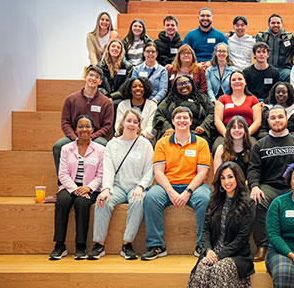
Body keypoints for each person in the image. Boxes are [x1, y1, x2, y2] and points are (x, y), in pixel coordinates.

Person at [175, 162, 255, 288]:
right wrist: (208, 250)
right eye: (223, 178)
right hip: (212, 252)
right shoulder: (213, 200)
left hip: (236, 254)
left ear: (238, 178)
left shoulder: (248, 203)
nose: (227, 181)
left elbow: (242, 238)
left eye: (230, 177)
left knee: (219, 271)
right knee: (202, 272)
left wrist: (219, 255)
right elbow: (204, 230)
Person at [247, 106, 294, 262]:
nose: (277, 120)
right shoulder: (260, 145)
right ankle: (262, 246)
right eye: (273, 118)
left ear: (286, 119)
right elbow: (253, 169)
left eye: (280, 117)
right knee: (256, 201)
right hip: (269, 187)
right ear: (268, 121)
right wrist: (255, 186)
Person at [142, 106, 211, 260]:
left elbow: (202, 173)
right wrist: (171, 192)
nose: (182, 120)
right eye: (178, 118)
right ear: (172, 121)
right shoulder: (162, 143)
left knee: (205, 199)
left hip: (194, 186)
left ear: (191, 121)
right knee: (151, 198)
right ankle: (156, 245)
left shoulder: (201, 143)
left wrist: (187, 192)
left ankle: (202, 245)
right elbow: (158, 172)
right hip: (167, 186)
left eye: (185, 117)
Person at [88, 110, 154, 260]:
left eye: (135, 122)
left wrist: (141, 187)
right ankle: (99, 244)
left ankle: (127, 244)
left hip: (135, 186)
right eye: (129, 121)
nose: (132, 124)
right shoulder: (112, 144)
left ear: (139, 126)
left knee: (138, 201)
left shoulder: (145, 145)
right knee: (102, 200)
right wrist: (106, 189)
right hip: (117, 187)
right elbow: (108, 169)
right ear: (123, 122)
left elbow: (150, 170)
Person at [49, 115, 105, 260]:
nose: (84, 129)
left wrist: (87, 188)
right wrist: (75, 189)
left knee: (82, 203)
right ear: (75, 129)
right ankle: (59, 245)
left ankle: (80, 246)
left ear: (93, 129)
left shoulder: (100, 150)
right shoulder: (66, 149)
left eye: (87, 126)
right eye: (80, 126)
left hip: (90, 188)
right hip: (69, 187)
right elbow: (62, 173)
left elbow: (101, 175)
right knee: (62, 201)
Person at [52, 66, 112, 175]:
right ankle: (62, 182)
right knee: (59, 145)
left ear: (100, 82)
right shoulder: (70, 99)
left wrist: (91, 137)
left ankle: (99, 182)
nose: (93, 79)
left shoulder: (106, 102)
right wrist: (76, 138)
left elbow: (107, 126)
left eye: (97, 77)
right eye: (91, 75)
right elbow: (65, 122)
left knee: (103, 144)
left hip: (95, 138)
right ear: (85, 77)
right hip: (74, 137)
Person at [154, 75, 214, 143]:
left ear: (192, 84)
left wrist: (203, 126)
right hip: (173, 132)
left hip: (197, 133)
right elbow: (158, 114)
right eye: (179, 84)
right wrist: (167, 127)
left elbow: (212, 112)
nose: (183, 86)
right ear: (175, 87)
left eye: (186, 83)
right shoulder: (169, 100)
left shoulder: (202, 98)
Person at [213, 70, 262, 149]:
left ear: (245, 82)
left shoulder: (253, 99)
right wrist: (227, 134)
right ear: (230, 83)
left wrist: (245, 134)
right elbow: (218, 120)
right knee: (217, 147)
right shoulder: (222, 99)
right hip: (226, 132)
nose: (237, 81)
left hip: (247, 132)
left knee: (254, 148)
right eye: (233, 80)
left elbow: (257, 121)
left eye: (240, 79)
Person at [255, 14, 294, 82]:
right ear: (269, 24)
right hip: (266, 68)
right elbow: (245, 37)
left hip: (284, 70)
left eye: (278, 23)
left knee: (291, 76)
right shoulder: (261, 36)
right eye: (273, 23)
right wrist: (232, 33)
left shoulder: (289, 37)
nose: (276, 25)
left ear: (281, 24)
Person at [96, 39, 133, 113]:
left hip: (120, 97)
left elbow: (126, 87)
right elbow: (98, 85)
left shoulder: (127, 67)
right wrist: (106, 96)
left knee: (114, 105)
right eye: (113, 46)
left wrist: (111, 97)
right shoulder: (100, 66)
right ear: (108, 49)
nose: (115, 49)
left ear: (121, 51)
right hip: (103, 96)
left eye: (118, 47)